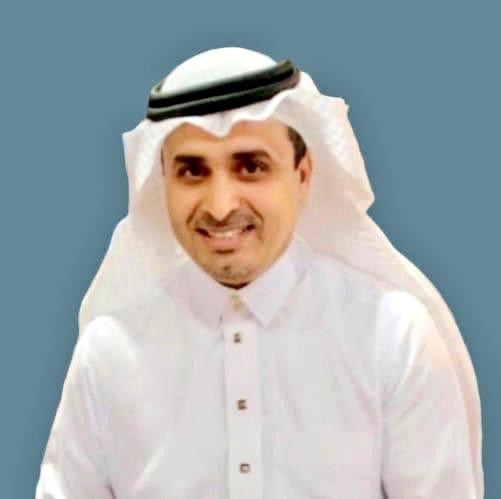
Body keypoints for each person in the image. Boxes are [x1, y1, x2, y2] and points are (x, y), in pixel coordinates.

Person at [36, 47, 483, 498]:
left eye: (251, 167)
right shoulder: (109, 352)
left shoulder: (393, 337)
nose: (220, 206)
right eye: (193, 171)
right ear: (164, 181)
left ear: (303, 175)